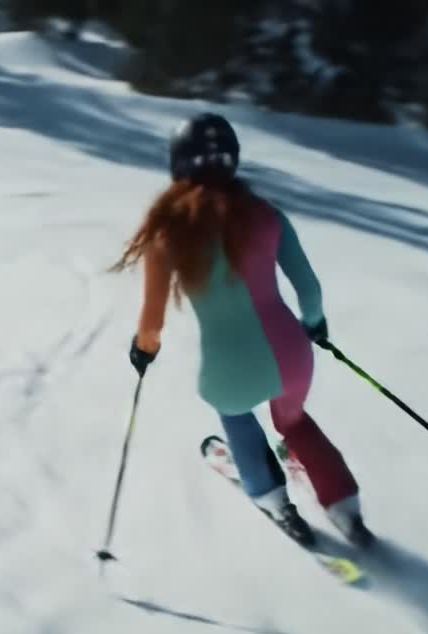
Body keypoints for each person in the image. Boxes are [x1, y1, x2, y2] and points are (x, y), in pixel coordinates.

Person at [110, 111, 374, 549]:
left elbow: (152, 319)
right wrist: (315, 326)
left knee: (236, 415)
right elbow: (309, 289)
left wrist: (144, 349)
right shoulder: (267, 215)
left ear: (178, 165)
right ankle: (345, 506)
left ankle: (272, 498)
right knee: (292, 420)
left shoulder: (168, 234)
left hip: (229, 365)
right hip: (292, 355)